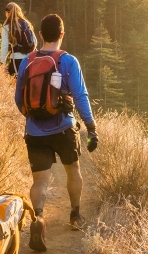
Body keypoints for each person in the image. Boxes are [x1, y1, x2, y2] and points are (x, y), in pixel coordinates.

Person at [14, 14, 98, 251]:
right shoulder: (68, 61)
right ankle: (75, 216)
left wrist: (33, 116)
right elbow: (80, 96)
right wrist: (91, 127)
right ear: (62, 34)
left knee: (40, 180)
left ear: (40, 35)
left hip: (34, 131)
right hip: (63, 128)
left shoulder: (27, 61)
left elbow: (18, 98)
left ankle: (39, 217)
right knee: (73, 170)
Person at [0, 2, 36, 76]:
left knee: (14, 85)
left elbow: (4, 46)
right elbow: (35, 41)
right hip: (29, 60)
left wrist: (2, 63)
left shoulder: (7, 27)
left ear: (7, 13)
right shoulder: (26, 23)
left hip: (16, 60)